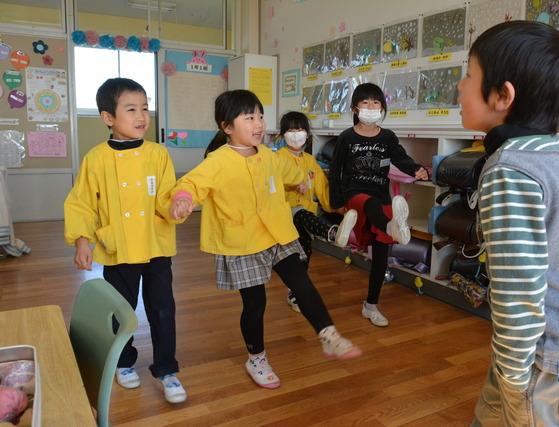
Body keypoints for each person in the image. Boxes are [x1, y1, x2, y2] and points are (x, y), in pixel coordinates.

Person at [456, 21, 559, 426]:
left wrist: (514, 375)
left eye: (468, 75)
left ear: (503, 95)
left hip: (547, 361)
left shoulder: (511, 170)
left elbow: (520, 288)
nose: (461, 87)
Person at [170, 89, 362, 390]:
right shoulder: (218, 160)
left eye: (260, 116)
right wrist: (182, 198)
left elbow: (288, 171)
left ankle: (328, 335)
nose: (258, 123)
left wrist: (301, 181)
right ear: (227, 126)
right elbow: (192, 183)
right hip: (242, 241)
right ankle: (256, 358)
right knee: (255, 303)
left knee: (301, 282)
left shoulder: (270, 156)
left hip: (277, 234)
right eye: (249, 118)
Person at [64, 78, 186, 403]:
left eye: (145, 108)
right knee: (122, 309)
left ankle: (166, 370)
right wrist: (82, 242)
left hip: (156, 247)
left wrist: (176, 205)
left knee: (163, 309)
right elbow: (82, 204)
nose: (141, 116)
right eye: (131, 109)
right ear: (108, 118)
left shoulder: (158, 155)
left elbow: (165, 196)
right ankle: (124, 361)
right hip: (117, 250)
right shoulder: (96, 159)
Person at [328, 83, 429, 327]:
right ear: (355, 108)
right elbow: (335, 171)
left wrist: (417, 169)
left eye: (376, 103)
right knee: (370, 203)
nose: (371, 107)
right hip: (355, 196)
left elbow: (400, 158)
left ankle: (371, 305)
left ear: (382, 108)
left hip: (381, 198)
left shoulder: (387, 137)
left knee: (381, 256)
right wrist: (337, 202)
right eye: (365, 103)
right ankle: (390, 228)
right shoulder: (346, 138)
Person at [276, 111, 357, 312]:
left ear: (308, 134)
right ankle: (332, 233)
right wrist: (292, 185)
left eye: (300, 129)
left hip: (305, 215)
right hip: (284, 213)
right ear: (283, 134)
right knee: (301, 214)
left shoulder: (311, 162)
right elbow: (272, 183)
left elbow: (322, 188)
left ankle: (295, 295)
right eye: (291, 130)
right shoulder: (276, 158)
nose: (296, 134)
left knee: (304, 255)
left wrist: (337, 207)